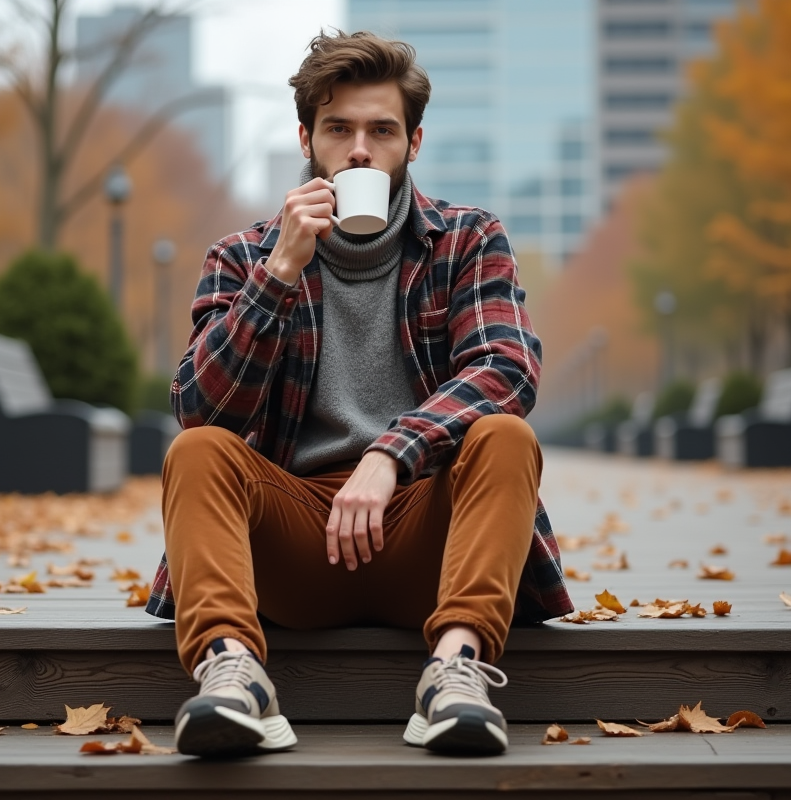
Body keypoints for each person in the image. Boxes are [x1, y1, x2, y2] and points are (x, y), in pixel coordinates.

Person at [145, 29, 573, 758]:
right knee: (197, 452)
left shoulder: (469, 240)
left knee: (505, 436)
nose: (360, 150)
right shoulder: (244, 254)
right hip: (295, 547)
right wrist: (277, 275)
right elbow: (201, 407)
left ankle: (456, 673)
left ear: (414, 142)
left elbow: (507, 369)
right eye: (339, 129)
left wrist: (392, 453)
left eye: (382, 130)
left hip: (429, 544)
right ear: (307, 138)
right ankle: (233, 674)